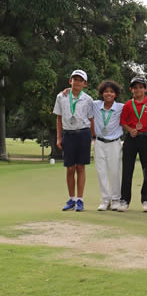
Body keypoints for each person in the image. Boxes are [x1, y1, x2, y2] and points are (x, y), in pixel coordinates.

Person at [54, 69, 94, 212]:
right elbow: (59, 118)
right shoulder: (61, 96)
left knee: (81, 167)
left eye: (80, 80)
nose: (77, 82)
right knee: (70, 168)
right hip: (68, 134)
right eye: (75, 79)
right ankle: (71, 199)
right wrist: (59, 137)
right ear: (70, 81)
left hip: (83, 134)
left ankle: (80, 200)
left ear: (85, 84)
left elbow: (91, 119)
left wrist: (93, 137)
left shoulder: (88, 99)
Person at [118, 76, 147, 212]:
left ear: (145, 89)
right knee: (127, 170)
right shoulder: (128, 104)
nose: (138, 90)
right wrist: (130, 129)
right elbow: (123, 122)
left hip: (146, 138)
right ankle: (124, 200)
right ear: (131, 90)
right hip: (131, 139)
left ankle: (146, 200)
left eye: (141, 87)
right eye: (135, 88)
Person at [92, 80, 124, 211]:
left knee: (115, 172)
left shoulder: (121, 107)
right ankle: (105, 200)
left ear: (116, 94)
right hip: (99, 142)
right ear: (101, 93)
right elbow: (81, 99)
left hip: (114, 143)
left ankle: (116, 199)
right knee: (101, 172)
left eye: (111, 91)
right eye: (106, 91)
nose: (108, 94)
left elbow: (136, 104)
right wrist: (67, 91)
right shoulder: (95, 105)